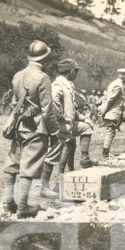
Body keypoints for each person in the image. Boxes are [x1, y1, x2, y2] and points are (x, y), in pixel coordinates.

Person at [2, 40, 59, 218]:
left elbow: (14, 102)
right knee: (29, 167)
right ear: (45, 58)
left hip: (18, 125)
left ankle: (8, 202)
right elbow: (48, 109)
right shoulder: (43, 77)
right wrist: (54, 132)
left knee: (13, 164)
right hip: (35, 128)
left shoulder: (18, 75)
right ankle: (23, 208)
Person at [40, 58, 82, 199]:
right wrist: (60, 116)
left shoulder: (66, 84)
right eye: (75, 71)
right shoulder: (58, 84)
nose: (76, 74)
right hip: (61, 125)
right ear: (71, 71)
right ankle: (44, 188)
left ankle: (58, 183)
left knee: (62, 150)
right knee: (53, 155)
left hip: (66, 124)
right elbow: (54, 99)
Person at [99, 68, 125, 158]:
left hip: (113, 112)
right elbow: (110, 100)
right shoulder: (118, 85)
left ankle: (105, 153)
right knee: (110, 132)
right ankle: (105, 154)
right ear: (124, 76)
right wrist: (103, 111)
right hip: (113, 113)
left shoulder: (115, 83)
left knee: (111, 132)